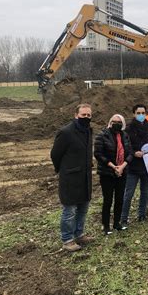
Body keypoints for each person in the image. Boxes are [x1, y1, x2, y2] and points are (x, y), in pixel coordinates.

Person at [51, 103, 95, 252]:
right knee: (69, 211)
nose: (86, 117)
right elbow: (55, 154)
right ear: (76, 115)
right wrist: (62, 169)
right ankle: (67, 239)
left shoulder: (89, 131)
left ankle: (79, 234)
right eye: (83, 115)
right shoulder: (66, 132)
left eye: (89, 115)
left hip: (85, 178)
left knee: (83, 208)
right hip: (70, 178)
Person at [94, 114, 133, 235]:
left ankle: (117, 223)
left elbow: (130, 153)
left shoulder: (125, 135)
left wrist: (122, 166)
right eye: (114, 121)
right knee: (108, 199)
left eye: (119, 122)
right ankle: (106, 226)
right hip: (107, 173)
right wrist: (113, 166)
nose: (116, 124)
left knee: (119, 199)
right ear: (110, 122)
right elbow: (98, 154)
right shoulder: (102, 135)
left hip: (122, 172)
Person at [121, 104, 148, 226]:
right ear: (133, 114)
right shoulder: (128, 129)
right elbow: (125, 146)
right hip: (133, 166)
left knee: (145, 191)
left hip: (147, 165)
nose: (141, 115)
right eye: (138, 113)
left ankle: (142, 215)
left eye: (143, 113)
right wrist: (134, 153)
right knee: (129, 193)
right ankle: (123, 218)